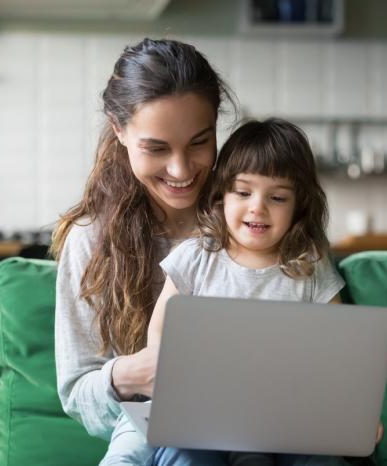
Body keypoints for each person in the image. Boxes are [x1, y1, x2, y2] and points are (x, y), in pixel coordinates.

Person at [105, 118, 351, 466]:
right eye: (243, 192)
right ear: (221, 194)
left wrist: (348, 414)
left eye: (277, 197)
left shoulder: (309, 267)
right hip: (197, 407)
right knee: (138, 445)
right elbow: (160, 332)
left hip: (278, 416)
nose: (257, 207)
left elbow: (339, 351)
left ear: (299, 206)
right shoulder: (196, 257)